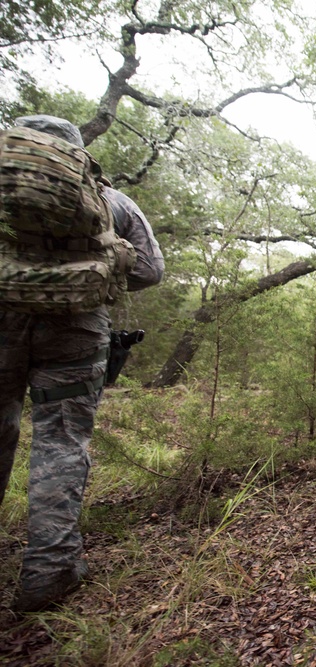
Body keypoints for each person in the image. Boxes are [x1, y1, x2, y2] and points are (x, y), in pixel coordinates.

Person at [0, 114, 165, 612]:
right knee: (61, 441)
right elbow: (151, 270)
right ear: (77, 155)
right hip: (73, 331)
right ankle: (48, 571)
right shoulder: (109, 202)